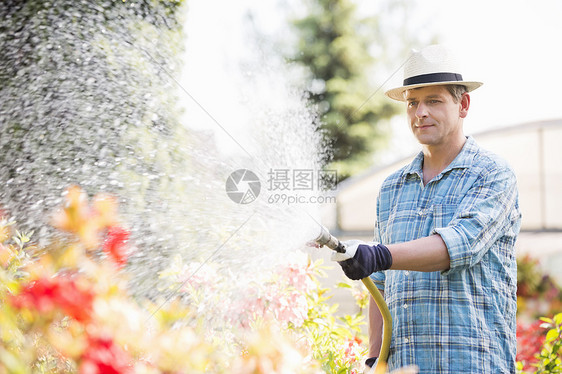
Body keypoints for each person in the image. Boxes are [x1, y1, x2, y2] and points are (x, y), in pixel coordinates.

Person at [333, 45, 521, 373]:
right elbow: (380, 283)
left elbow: (460, 246)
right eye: (412, 102)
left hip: (474, 364)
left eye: (433, 101)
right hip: (407, 366)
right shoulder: (392, 188)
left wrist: (380, 254)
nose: (420, 112)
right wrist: (375, 360)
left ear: (463, 105)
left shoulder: (492, 174)